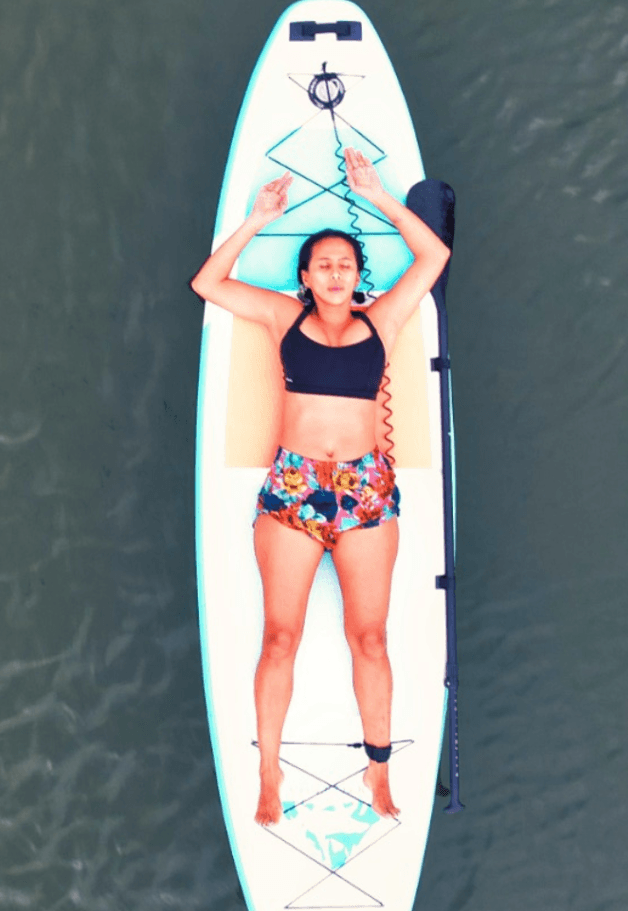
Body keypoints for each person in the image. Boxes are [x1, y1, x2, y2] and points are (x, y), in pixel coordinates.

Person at [191, 148, 450, 825]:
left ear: (358, 276)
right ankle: (269, 773)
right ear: (305, 277)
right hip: (294, 490)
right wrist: (257, 219)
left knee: (371, 639)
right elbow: (208, 284)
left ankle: (378, 769)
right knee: (280, 638)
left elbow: (433, 258)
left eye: (345, 264)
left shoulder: (381, 319)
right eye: (323, 265)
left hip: (365, 493)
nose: (336, 273)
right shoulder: (284, 316)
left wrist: (381, 198)